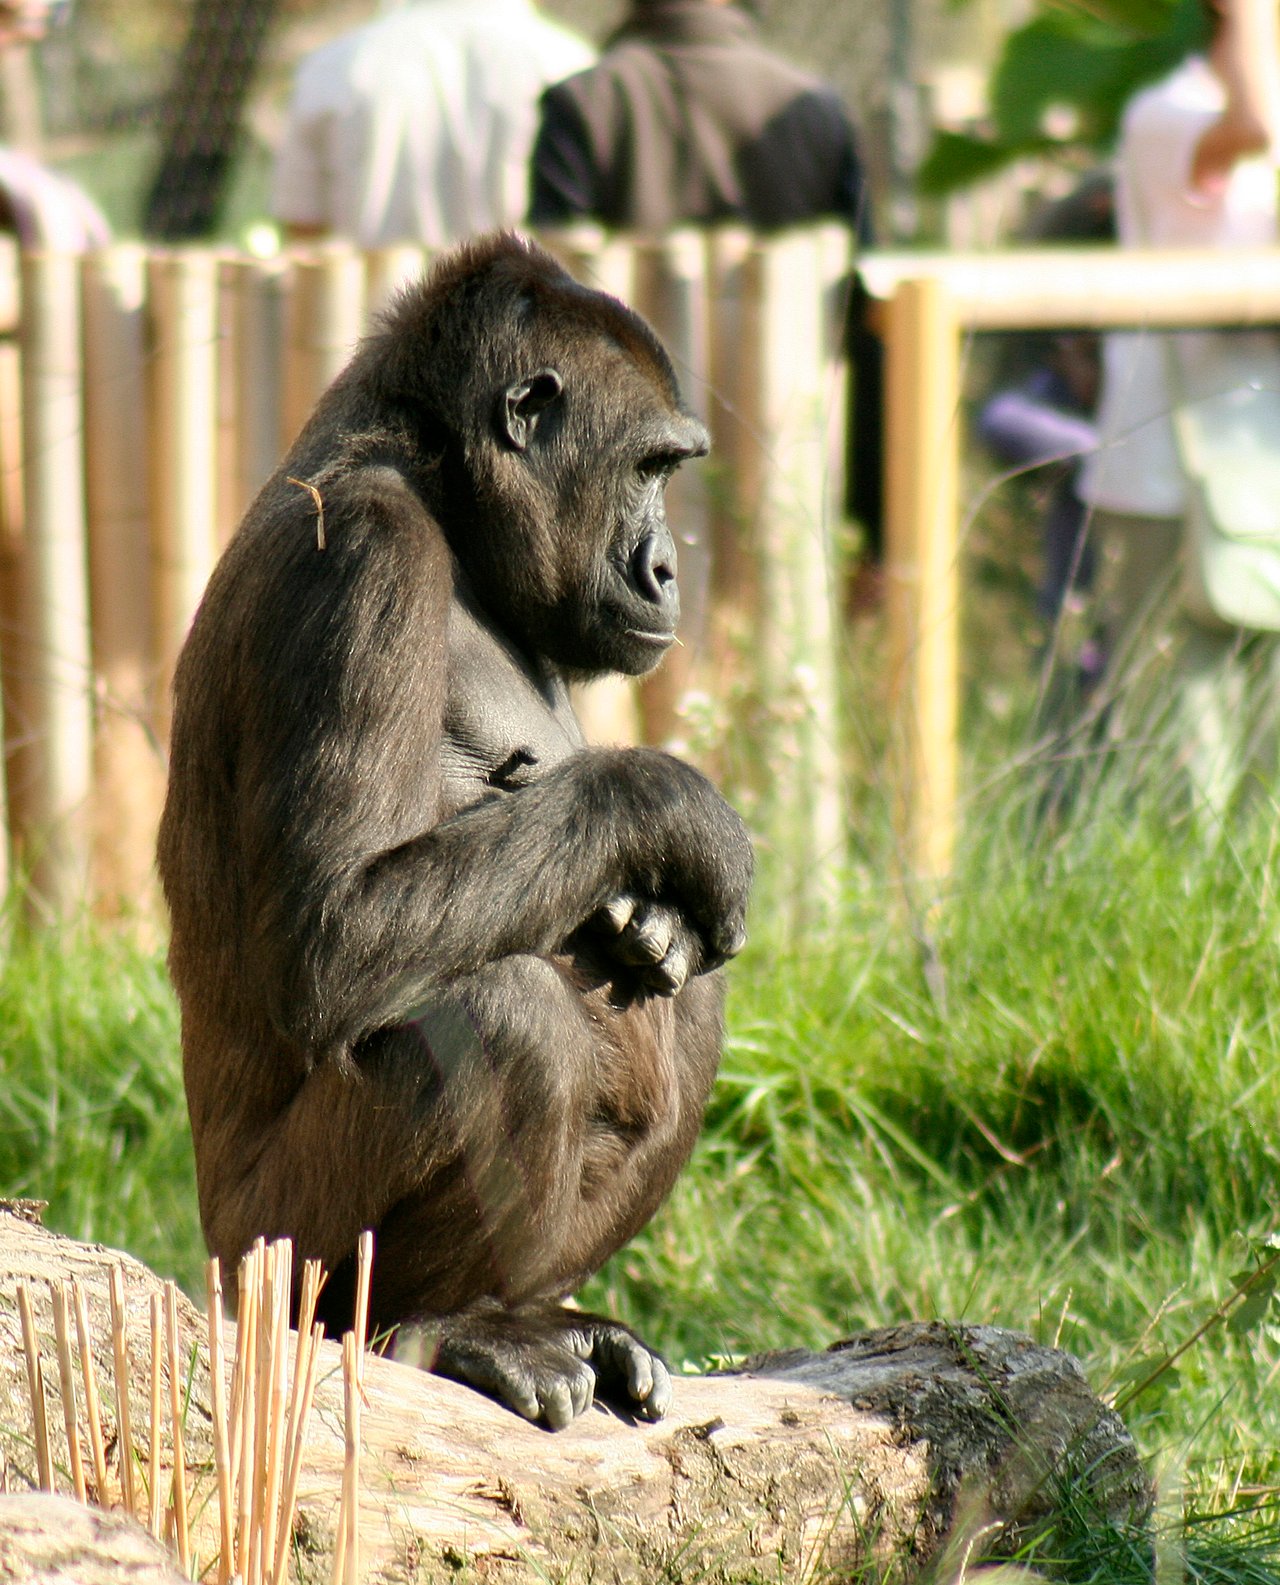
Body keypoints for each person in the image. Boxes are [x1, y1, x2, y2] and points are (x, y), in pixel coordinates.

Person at [1076, 0, 1280, 821]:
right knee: (1180, 754)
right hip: (1166, 476)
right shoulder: (1168, 114)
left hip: (1258, 465)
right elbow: (1255, 121)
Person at [527, 0, 869, 236]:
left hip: (629, 340)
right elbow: (864, 309)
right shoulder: (817, 112)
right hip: (793, 339)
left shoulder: (583, 103)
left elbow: (555, 299)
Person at [271, 0, 593, 248]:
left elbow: (304, 238)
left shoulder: (336, 67)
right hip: (528, 325)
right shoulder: (573, 66)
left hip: (370, 322)